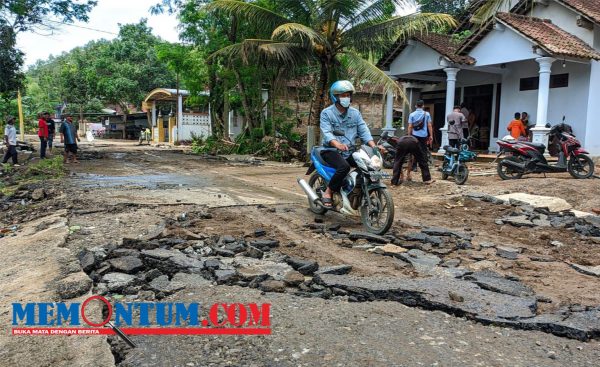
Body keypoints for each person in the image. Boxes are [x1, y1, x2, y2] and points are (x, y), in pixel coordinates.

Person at [319, 80, 381, 208]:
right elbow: (327, 132)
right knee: (344, 167)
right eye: (343, 95)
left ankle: (357, 190)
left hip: (350, 150)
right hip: (331, 150)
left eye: (348, 95)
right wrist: (337, 144)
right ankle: (328, 192)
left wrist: (374, 146)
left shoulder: (355, 113)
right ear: (335, 97)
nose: (346, 98)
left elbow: (364, 131)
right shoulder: (327, 113)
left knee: (368, 164)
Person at [406, 100, 432, 181]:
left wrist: (409, 135)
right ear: (423, 106)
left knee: (413, 152)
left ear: (416, 106)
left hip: (414, 136)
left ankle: (413, 168)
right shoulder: (426, 114)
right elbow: (429, 125)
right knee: (423, 154)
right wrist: (431, 135)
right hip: (423, 136)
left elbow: (410, 126)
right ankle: (425, 174)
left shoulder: (412, 114)